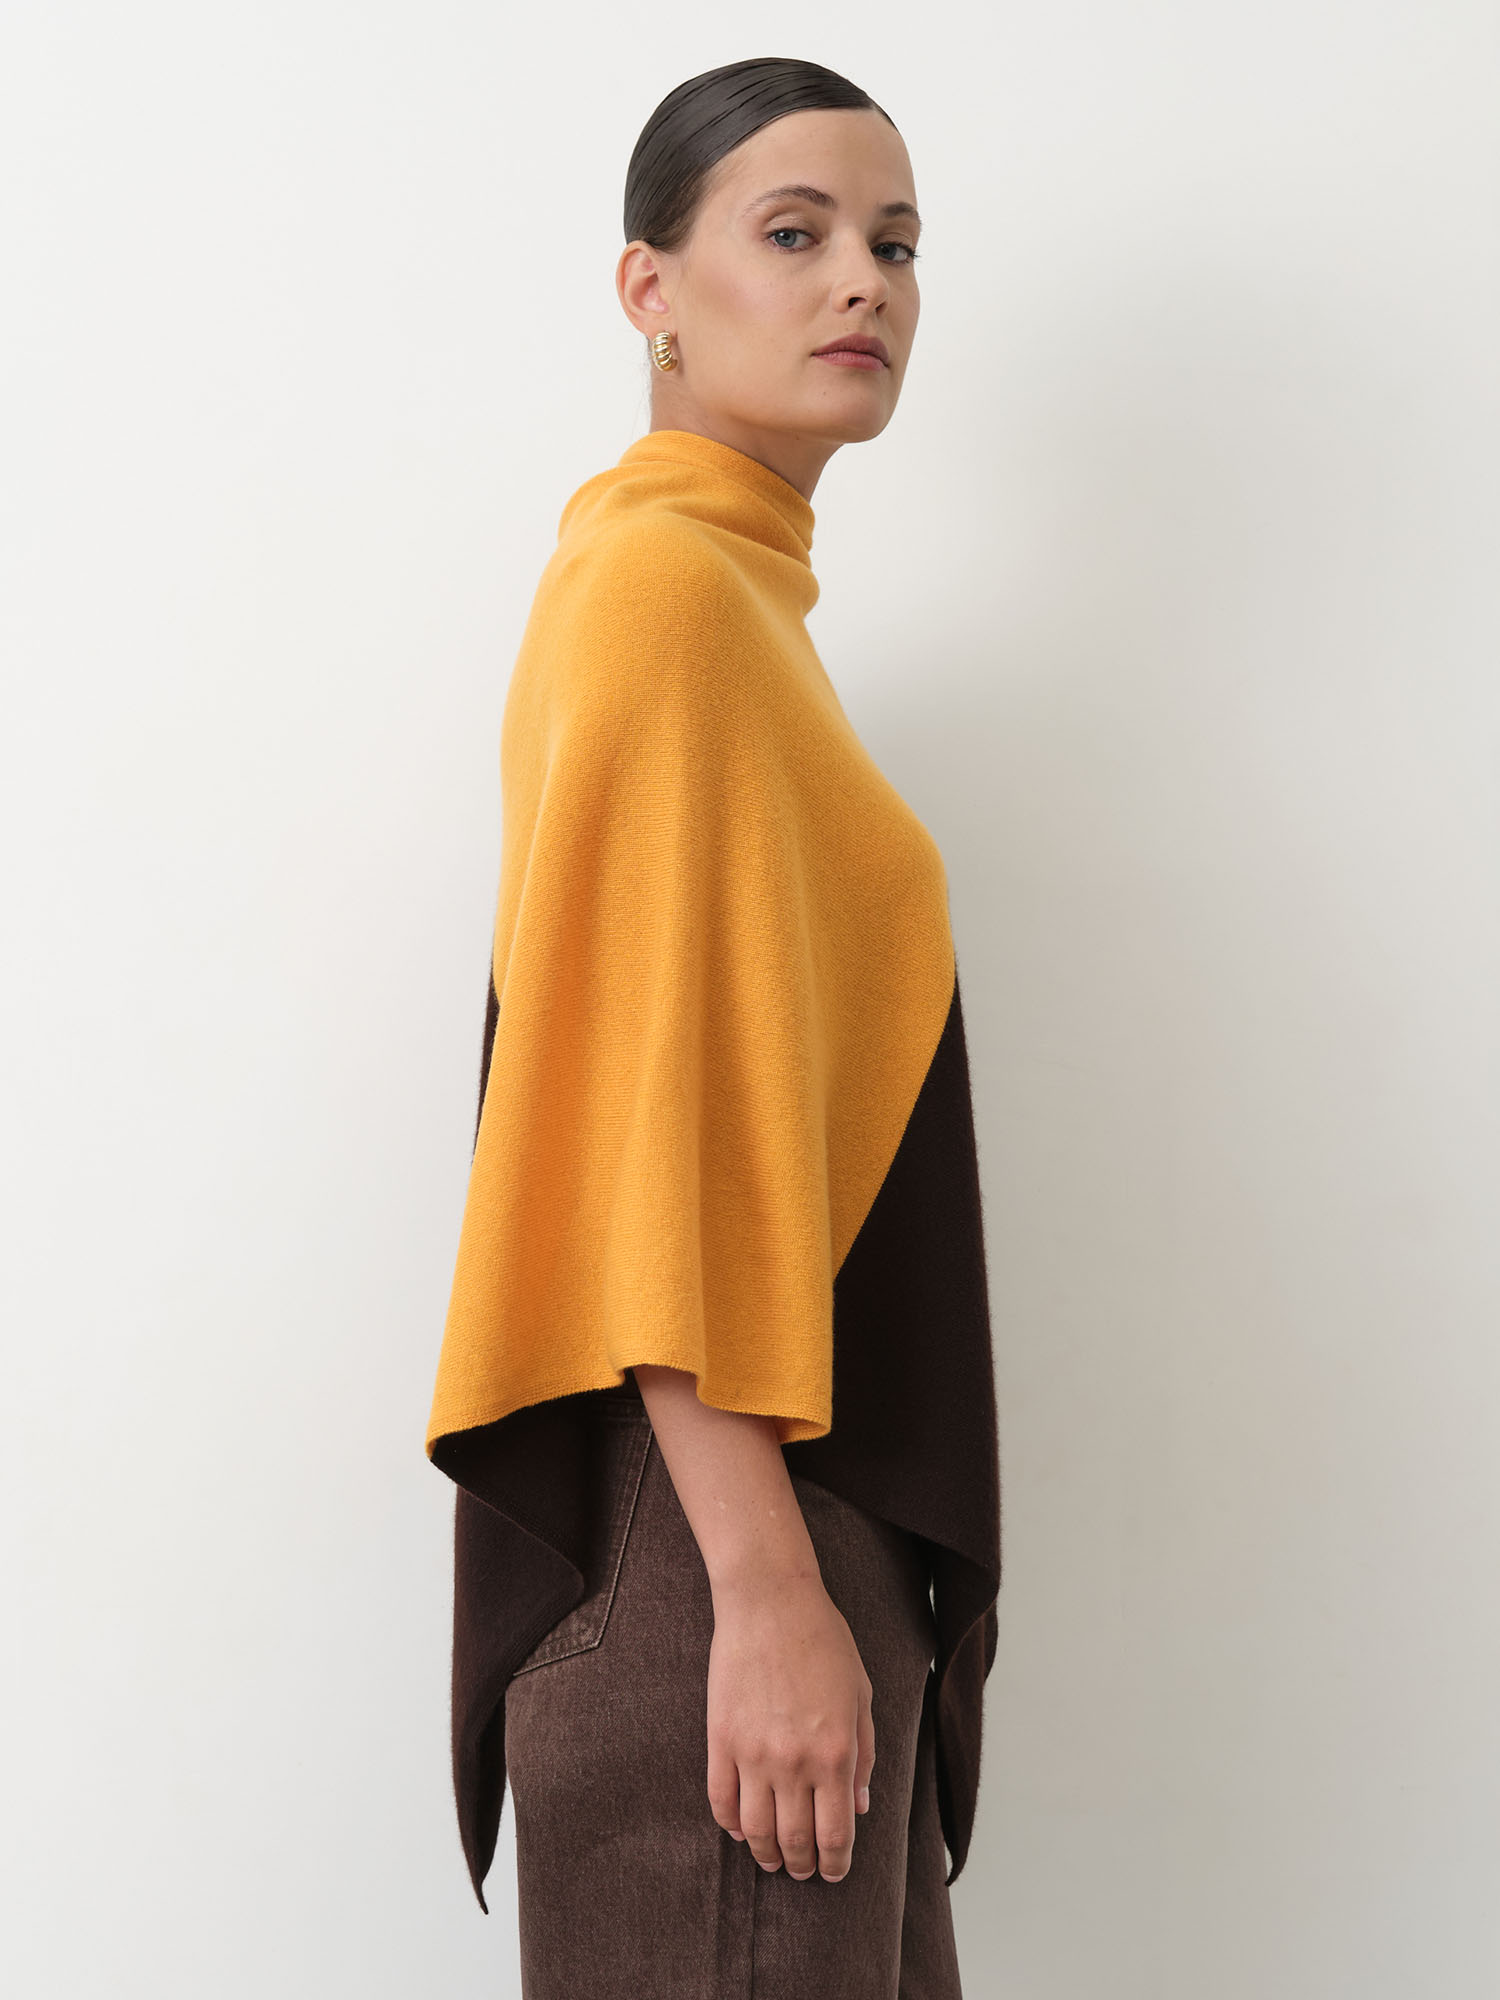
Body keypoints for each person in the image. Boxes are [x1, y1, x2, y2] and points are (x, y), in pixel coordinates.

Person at [424, 56, 1002, 1998]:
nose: (864, 283)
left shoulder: (733, 610)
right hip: (718, 1554)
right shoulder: (664, 595)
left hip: (768, 1547)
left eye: (895, 244)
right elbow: (646, 1141)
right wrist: (763, 1590)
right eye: (795, 232)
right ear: (648, 289)